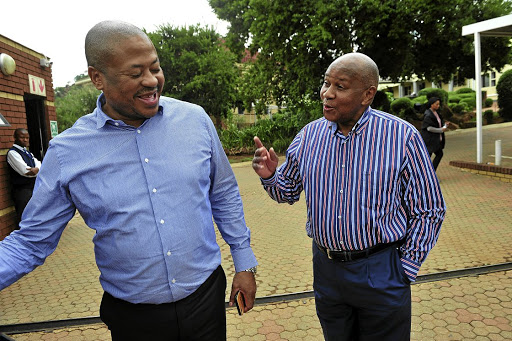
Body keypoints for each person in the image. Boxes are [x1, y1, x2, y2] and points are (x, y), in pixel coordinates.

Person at [0, 20, 257, 341]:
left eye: (155, 68)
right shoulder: (67, 152)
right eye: (135, 74)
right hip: (133, 318)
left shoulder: (195, 120)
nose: (151, 81)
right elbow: (30, 242)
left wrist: (244, 263)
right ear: (97, 78)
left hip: (205, 300)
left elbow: (223, 192)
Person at [252, 53, 445, 341]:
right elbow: (288, 191)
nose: (327, 94)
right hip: (327, 272)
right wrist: (269, 176)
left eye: (340, 87)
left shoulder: (401, 137)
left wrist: (405, 267)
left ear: (368, 94)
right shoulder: (308, 137)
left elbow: (429, 209)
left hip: (381, 270)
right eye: (326, 84)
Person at [6, 128, 41, 228]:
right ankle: (23, 240)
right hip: (22, 191)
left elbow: (39, 165)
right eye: (22, 137)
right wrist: (36, 171)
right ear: (15, 138)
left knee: (33, 216)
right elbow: (25, 172)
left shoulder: (28, 153)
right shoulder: (13, 153)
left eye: (27, 138)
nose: (25, 140)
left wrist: (36, 169)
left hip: (32, 188)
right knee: (24, 217)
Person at [421, 97, 450, 171]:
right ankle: (428, 174)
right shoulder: (428, 115)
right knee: (429, 157)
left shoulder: (436, 113)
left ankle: (430, 173)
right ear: (431, 105)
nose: (438, 106)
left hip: (435, 140)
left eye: (439, 104)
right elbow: (429, 128)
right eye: (436, 104)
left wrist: (445, 125)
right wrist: (441, 130)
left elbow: (439, 123)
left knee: (436, 155)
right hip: (430, 140)